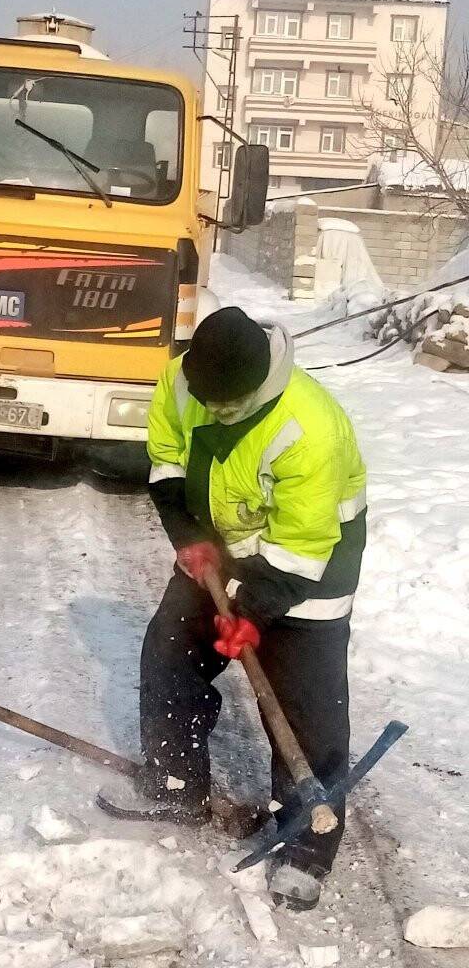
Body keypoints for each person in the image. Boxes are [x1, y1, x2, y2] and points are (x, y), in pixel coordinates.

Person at [140, 306, 366, 910]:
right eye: (205, 397)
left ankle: (306, 845)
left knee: (304, 704)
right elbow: (165, 459)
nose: (211, 411)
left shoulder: (306, 427)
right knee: (169, 652)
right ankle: (176, 783)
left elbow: (301, 549)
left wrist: (251, 613)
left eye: (226, 404)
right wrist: (185, 529)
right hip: (219, 550)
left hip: (310, 568)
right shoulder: (182, 381)